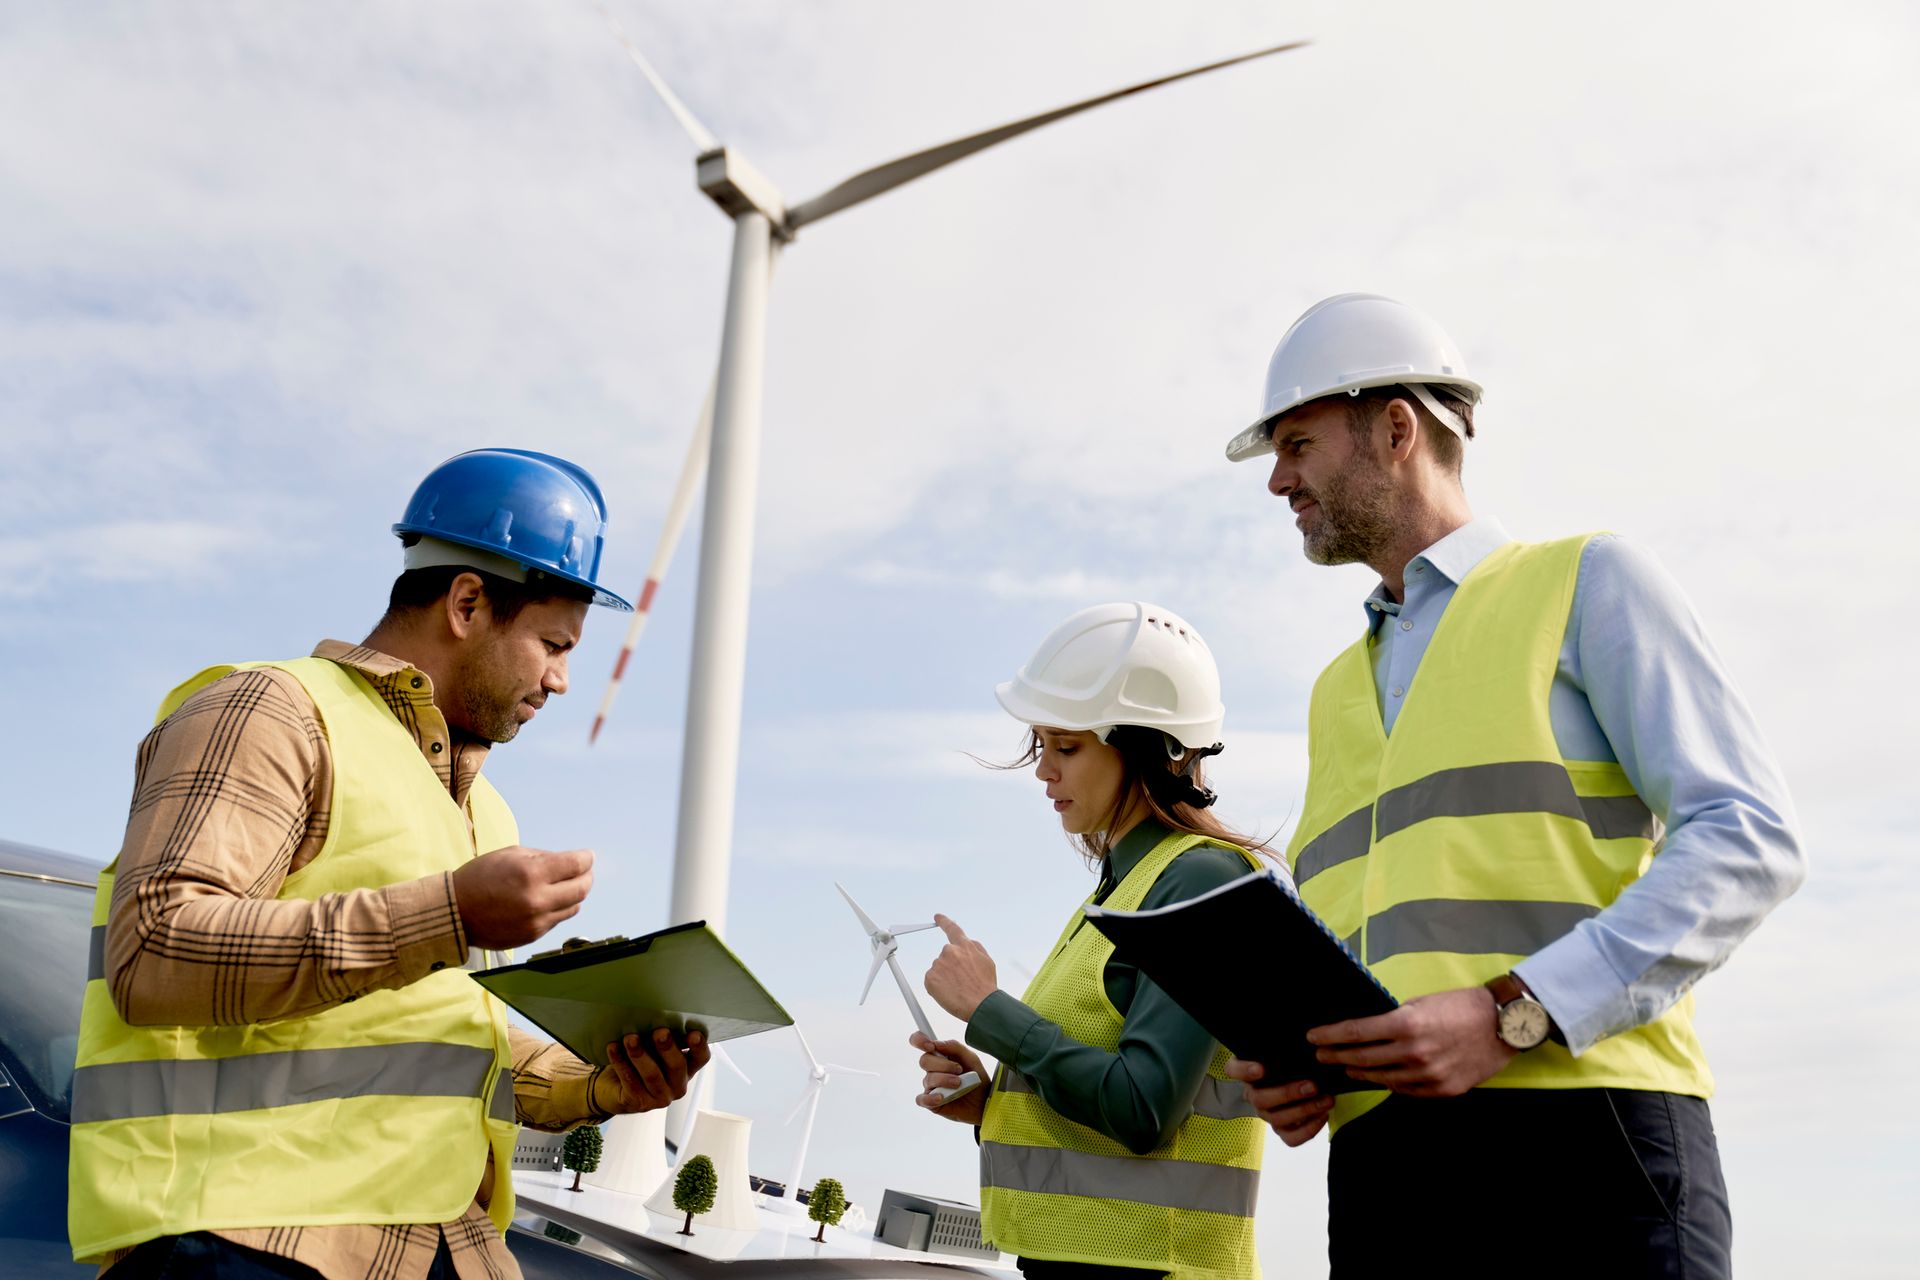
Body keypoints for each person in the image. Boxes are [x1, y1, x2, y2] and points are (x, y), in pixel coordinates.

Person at [1216, 293, 1806, 1276]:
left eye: (1299, 444)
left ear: (1395, 429)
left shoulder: (1587, 581)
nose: (1278, 479)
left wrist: (1513, 1011)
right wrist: (1306, 1065)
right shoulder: (1331, 692)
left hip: (1590, 1142)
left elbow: (1748, 835)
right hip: (1387, 1173)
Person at [69, 448, 712, 1280]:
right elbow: (155, 954)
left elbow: (432, 1048)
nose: (560, 681)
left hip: (440, 1245)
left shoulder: (484, 812)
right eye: (553, 644)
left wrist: (597, 1086)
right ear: (468, 602)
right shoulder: (272, 711)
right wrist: (449, 914)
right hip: (248, 1241)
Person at [911, 602, 1273, 1280]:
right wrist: (995, 1107)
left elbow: (1143, 1110)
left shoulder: (1198, 879)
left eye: (1067, 747)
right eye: (1041, 746)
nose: (1044, 770)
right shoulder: (1121, 889)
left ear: (1150, 748)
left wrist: (989, 1011)